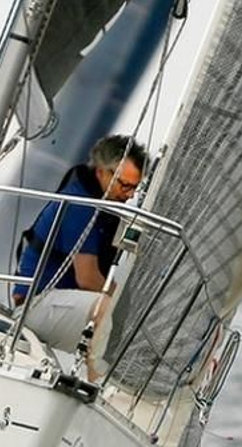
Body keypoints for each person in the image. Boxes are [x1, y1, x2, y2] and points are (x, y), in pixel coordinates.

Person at [13, 134, 147, 347]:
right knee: (104, 308)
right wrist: (133, 312)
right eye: (124, 185)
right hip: (34, 306)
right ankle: (96, 377)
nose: (130, 195)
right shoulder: (80, 204)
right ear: (102, 172)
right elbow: (87, 278)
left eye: (134, 188)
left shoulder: (101, 205)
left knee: (110, 313)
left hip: (59, 303)